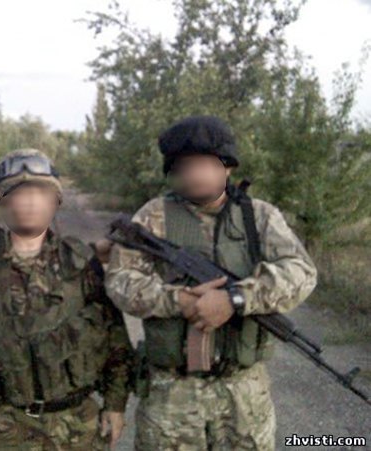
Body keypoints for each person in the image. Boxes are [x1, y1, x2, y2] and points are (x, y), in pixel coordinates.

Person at [105, 115, 318, 450]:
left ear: (227, 167)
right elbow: (120, 282)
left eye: (205, 164)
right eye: (185, 166)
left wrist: (236, 299)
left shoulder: (258, 216)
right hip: (171, 394)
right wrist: (181, 301)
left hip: (244, 392)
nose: (195, 174)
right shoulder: (152, 216)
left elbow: (301, 272)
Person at [0, 149, 133, 450]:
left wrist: (116, 404)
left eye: (40, 192)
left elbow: (115, 339)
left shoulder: (80, 261)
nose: (30, 201)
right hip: (5, 426)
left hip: (77, 427)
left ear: (55, 200)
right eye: (19, 192)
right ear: (2, 199)